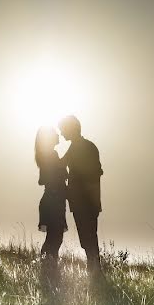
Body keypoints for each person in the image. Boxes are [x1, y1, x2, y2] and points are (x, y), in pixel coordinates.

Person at [58, 115, 103, 275]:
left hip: (86, 202)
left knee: (89, 238)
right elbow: (61, 164)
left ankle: (95, 272)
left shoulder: (86, 147)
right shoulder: (76, 147)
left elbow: (94, 174)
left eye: (63, 130)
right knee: (87, 239)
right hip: (81, 202)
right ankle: (94, 272)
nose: (62, 134)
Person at [34, 126, 67, 271]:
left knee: (54, 238)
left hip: (53, 200)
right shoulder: (50, 155)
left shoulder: (48, 155)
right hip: (53, 200)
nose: (58, 134)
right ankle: (48, 269)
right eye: (54, 133)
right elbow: (43, 179)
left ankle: (48, 268)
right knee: (55, 238)